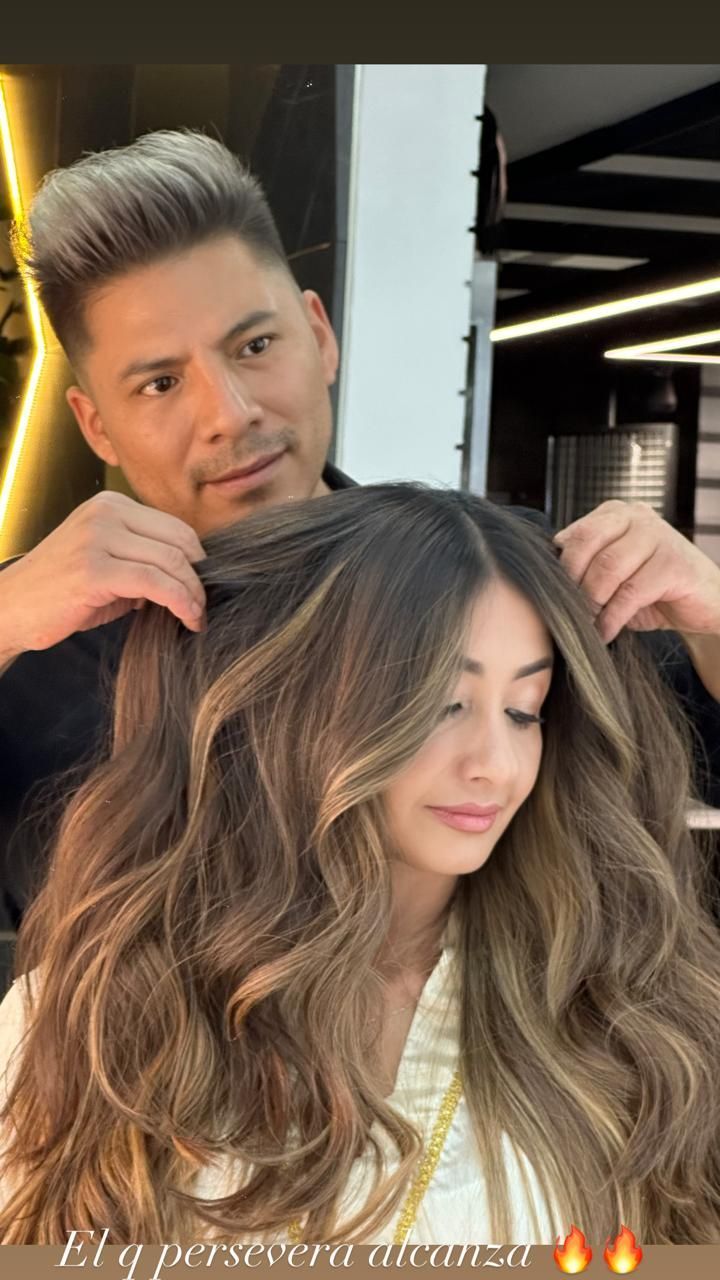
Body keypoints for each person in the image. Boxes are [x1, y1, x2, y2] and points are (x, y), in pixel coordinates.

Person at [1, 130, 719, 939]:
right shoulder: (31, 643)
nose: (230, 412)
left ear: (320, 336)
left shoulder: (502, 585)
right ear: (96, 425)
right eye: (161, 382)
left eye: (256, 346)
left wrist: (711, 614)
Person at [1, 484, 719, 1246]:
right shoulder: (94, 1010)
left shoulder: (623, 1006)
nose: (496, 765)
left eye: (524, 710)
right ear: (299, 706)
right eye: (444, 705)